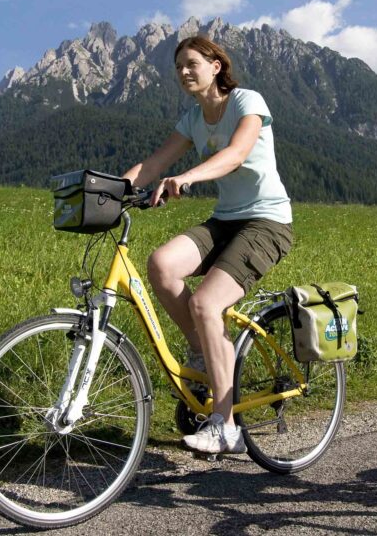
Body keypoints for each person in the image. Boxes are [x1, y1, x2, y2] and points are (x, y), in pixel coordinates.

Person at [123, 35, 293, 453]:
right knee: (161, 264)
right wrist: (107, 192)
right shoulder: (192, 119)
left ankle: (226, 424)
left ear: (216, 65)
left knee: (205, 304)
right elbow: (155, 163)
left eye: (192, 63)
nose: (183, 72)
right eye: (178, 66)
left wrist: (188, 177)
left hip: (267, 222)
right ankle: (206, 350)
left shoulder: (246, 102)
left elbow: (236, 154)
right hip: (225, 220)